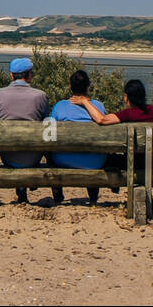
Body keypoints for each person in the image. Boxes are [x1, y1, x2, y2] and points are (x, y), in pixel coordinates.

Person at [70, 78, 153, 172]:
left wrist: (85, 102)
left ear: (127, 97)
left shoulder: (129, 113)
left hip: (137, 162)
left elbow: (101, 119)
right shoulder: (152, 110)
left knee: (108, 160)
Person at [0, 57, 49, 204]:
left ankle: (21, 189)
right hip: (32, 157)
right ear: (29, 75)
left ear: (11, 75)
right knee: (49, 134)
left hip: (8, 155)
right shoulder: (40, 96)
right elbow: (46, 121)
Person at [48, 70, 107, 205]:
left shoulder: (59, 106)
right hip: (95, 162)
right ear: (88, 87)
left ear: (70, 86)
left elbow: (49, 135)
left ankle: (58, 196)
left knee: (48, 151)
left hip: (63, 160)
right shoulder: (98, 106)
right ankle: (92, 197)